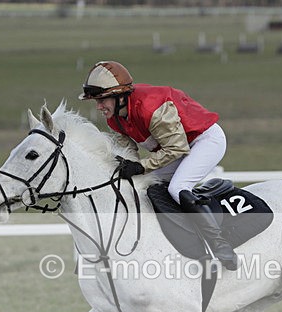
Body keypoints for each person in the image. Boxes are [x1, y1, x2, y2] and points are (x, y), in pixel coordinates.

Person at [78, 60, 237, 270]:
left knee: (177, 188)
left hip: (205, 140)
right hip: (177, 148)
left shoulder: (151, 107)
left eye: (102, 100)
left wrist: (141, 167)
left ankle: (219, 245)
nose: (99, 107)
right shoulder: (115, 119)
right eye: (96, 101)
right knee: (146, 186)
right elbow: (129, 153)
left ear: (120, 96)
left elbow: (176, 148)